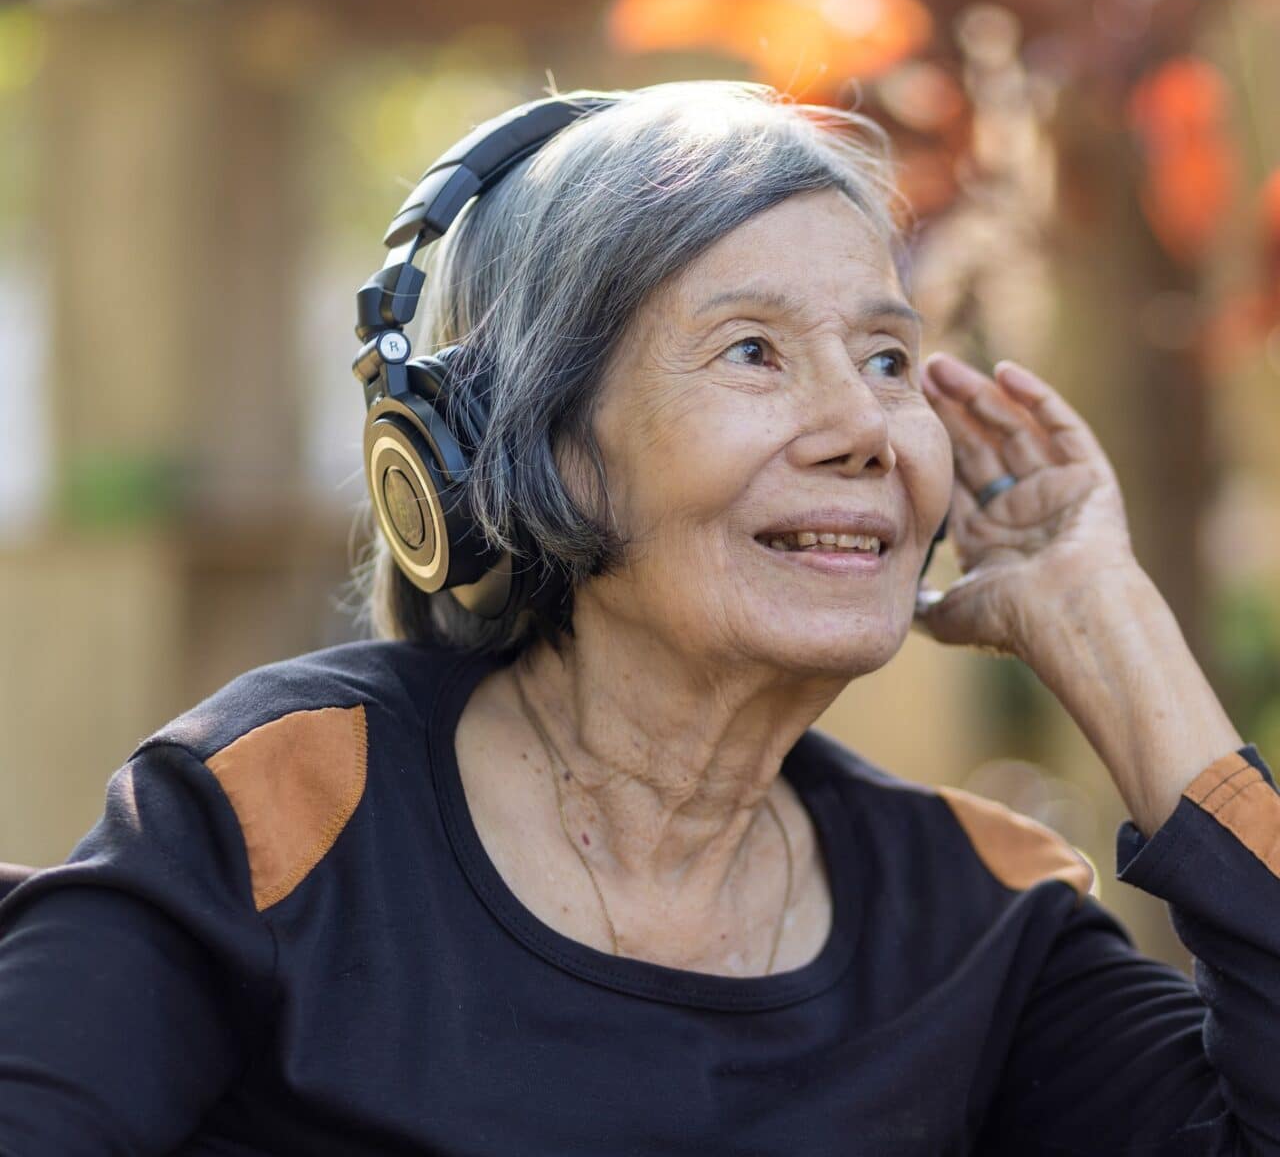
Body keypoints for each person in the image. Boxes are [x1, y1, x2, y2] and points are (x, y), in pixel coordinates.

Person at [0, 80, 1276, 1156]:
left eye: (887, 359)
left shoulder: (977, 913)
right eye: (751, 351)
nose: (864, 432)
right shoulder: (285, 805)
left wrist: (1108, 623)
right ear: (543, 450)